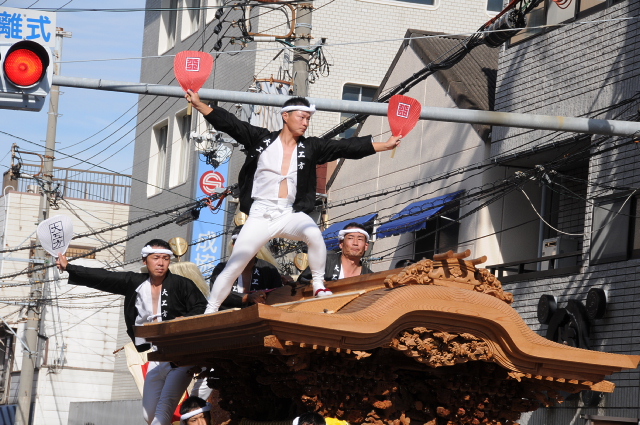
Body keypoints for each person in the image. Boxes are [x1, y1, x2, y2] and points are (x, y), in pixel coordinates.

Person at [186, 90, 402, 313]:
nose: (306, 123)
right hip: (261, 213)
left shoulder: (311, 147)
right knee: (235, 264)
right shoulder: (261, 139)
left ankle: (318, 284)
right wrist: (199, 104)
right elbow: (231, 124)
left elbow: (345, 147)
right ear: (285, 116)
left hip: (288, 212)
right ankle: (211, 309)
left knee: (314, 234)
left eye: (308, 118)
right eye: (302, 117)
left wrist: (385, 145)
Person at [56, 239, 207, 425]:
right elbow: (104, 277)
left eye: (165, 258)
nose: (161, 263)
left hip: (180, 356)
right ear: (145, 260)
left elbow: (202, 306)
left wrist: (184, 319)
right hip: (156, 357)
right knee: (149, 415)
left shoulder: (182, 284)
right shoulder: (135, 282)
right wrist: (69, 267)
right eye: (156, 258)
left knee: (164, 408)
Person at [209, 226, 283, 309]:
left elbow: (279, 297)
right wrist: (247, 297)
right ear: (234, 246)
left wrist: (288, 286)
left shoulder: (269, 270)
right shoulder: (222, 269)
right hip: (229, 316)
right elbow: (217, 294)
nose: (248, 249)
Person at [299, 222, 373, 283]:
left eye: (360, 239)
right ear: (341, 244)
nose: (355, 243)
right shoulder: (325, 262)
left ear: (366, 246)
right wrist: (312, 283)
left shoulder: (369, 275)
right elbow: (301, 282)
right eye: (350, 238)